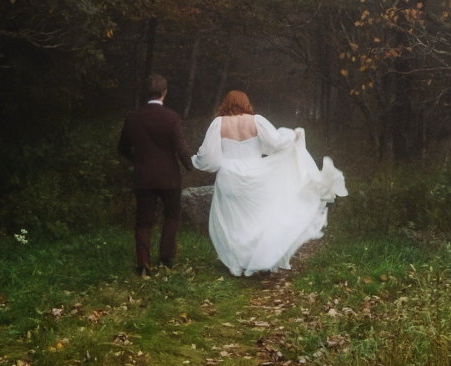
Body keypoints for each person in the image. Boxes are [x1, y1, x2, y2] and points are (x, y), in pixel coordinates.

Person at [192, 91, 347, 277]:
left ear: (226, 104)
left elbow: (209, 157)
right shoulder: (256, 121)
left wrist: (196, 160)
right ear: (245, 103)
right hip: (256, 174)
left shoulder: (218, 124)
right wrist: (293, 135)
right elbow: (276, 143)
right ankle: (260, 259)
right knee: (258, 218)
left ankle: (238, 263)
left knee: (234, 221)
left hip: (229, 176)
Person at [118, 74, 194, 276]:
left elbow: (122, 147)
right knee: (172, 215)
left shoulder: (133, 118)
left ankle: (143, 263)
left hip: (143, 177)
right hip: (169, 177)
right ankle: (166, 258)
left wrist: (137, 160)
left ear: (146, 93)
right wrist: (189, 165)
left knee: (143, 220)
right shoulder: (171, 117)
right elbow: (180, 146)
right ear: (164, 93)